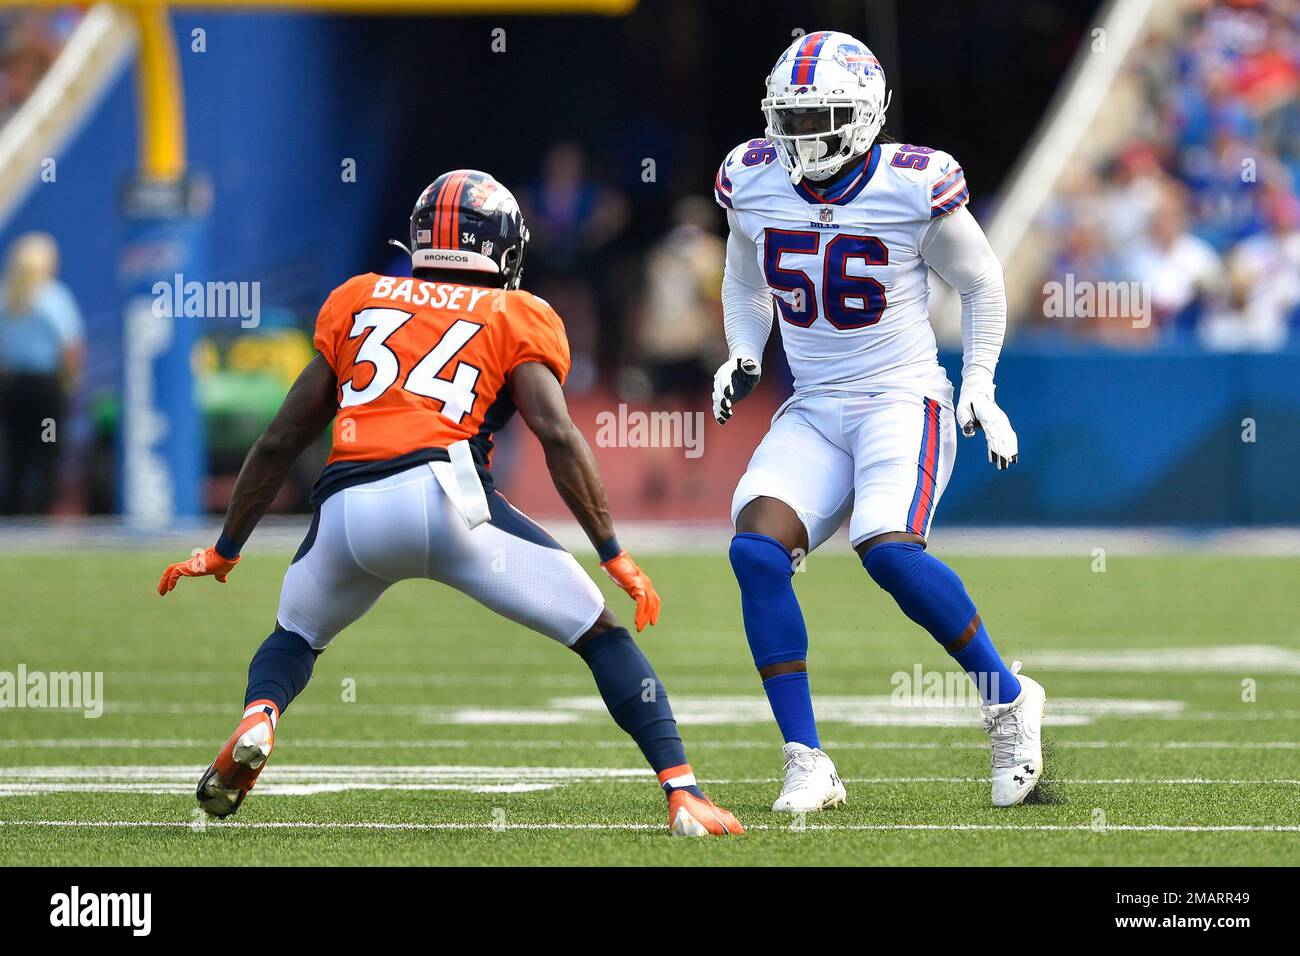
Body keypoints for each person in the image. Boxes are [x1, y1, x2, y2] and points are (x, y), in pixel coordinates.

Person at [157, 170, 742, 837]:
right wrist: (613, 551)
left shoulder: (359, 297)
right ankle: (683, 793)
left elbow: (280, 440)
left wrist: (226, 548)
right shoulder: (516, 312)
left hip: (348, 510)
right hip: (450, 501)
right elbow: (557, 434)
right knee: (601, 633)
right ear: (503, 248)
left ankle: (260, 716)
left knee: (293, 637)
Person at [711, 31, 1045, 812]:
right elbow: (743, 277)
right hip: (815, 403)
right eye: (788, 120)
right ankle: (807, 760)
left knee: (886, 549)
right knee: (756, 553)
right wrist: (741, 352)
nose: (800, 138)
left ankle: (1007, 699)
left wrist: (981, 385)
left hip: (902, 397)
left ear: (864, 116)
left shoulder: (912, 184)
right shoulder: (753, 178)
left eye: (820, 118)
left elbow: (983, 284)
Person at [0, 231, 83, 514]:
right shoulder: (54, 297)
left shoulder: (7, 298)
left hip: (13, 387)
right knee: (48, 451)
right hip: (46, 387)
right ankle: (40, 514)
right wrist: (71, 381)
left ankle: (12, 514)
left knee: (17, 453)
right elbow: (69, 347)